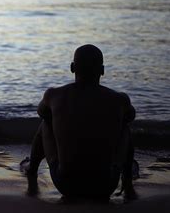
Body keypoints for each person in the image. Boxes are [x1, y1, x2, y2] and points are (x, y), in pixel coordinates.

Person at [26, 44, 137, 201]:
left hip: (66, 184)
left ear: (72, 67)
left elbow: (41, 112)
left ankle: (32, 169)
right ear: (102, 70)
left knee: (46, 121)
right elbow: (130, 116)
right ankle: (127, 177)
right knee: (124, 127)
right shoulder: (119, 99)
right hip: (105, 186)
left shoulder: (54, 95)